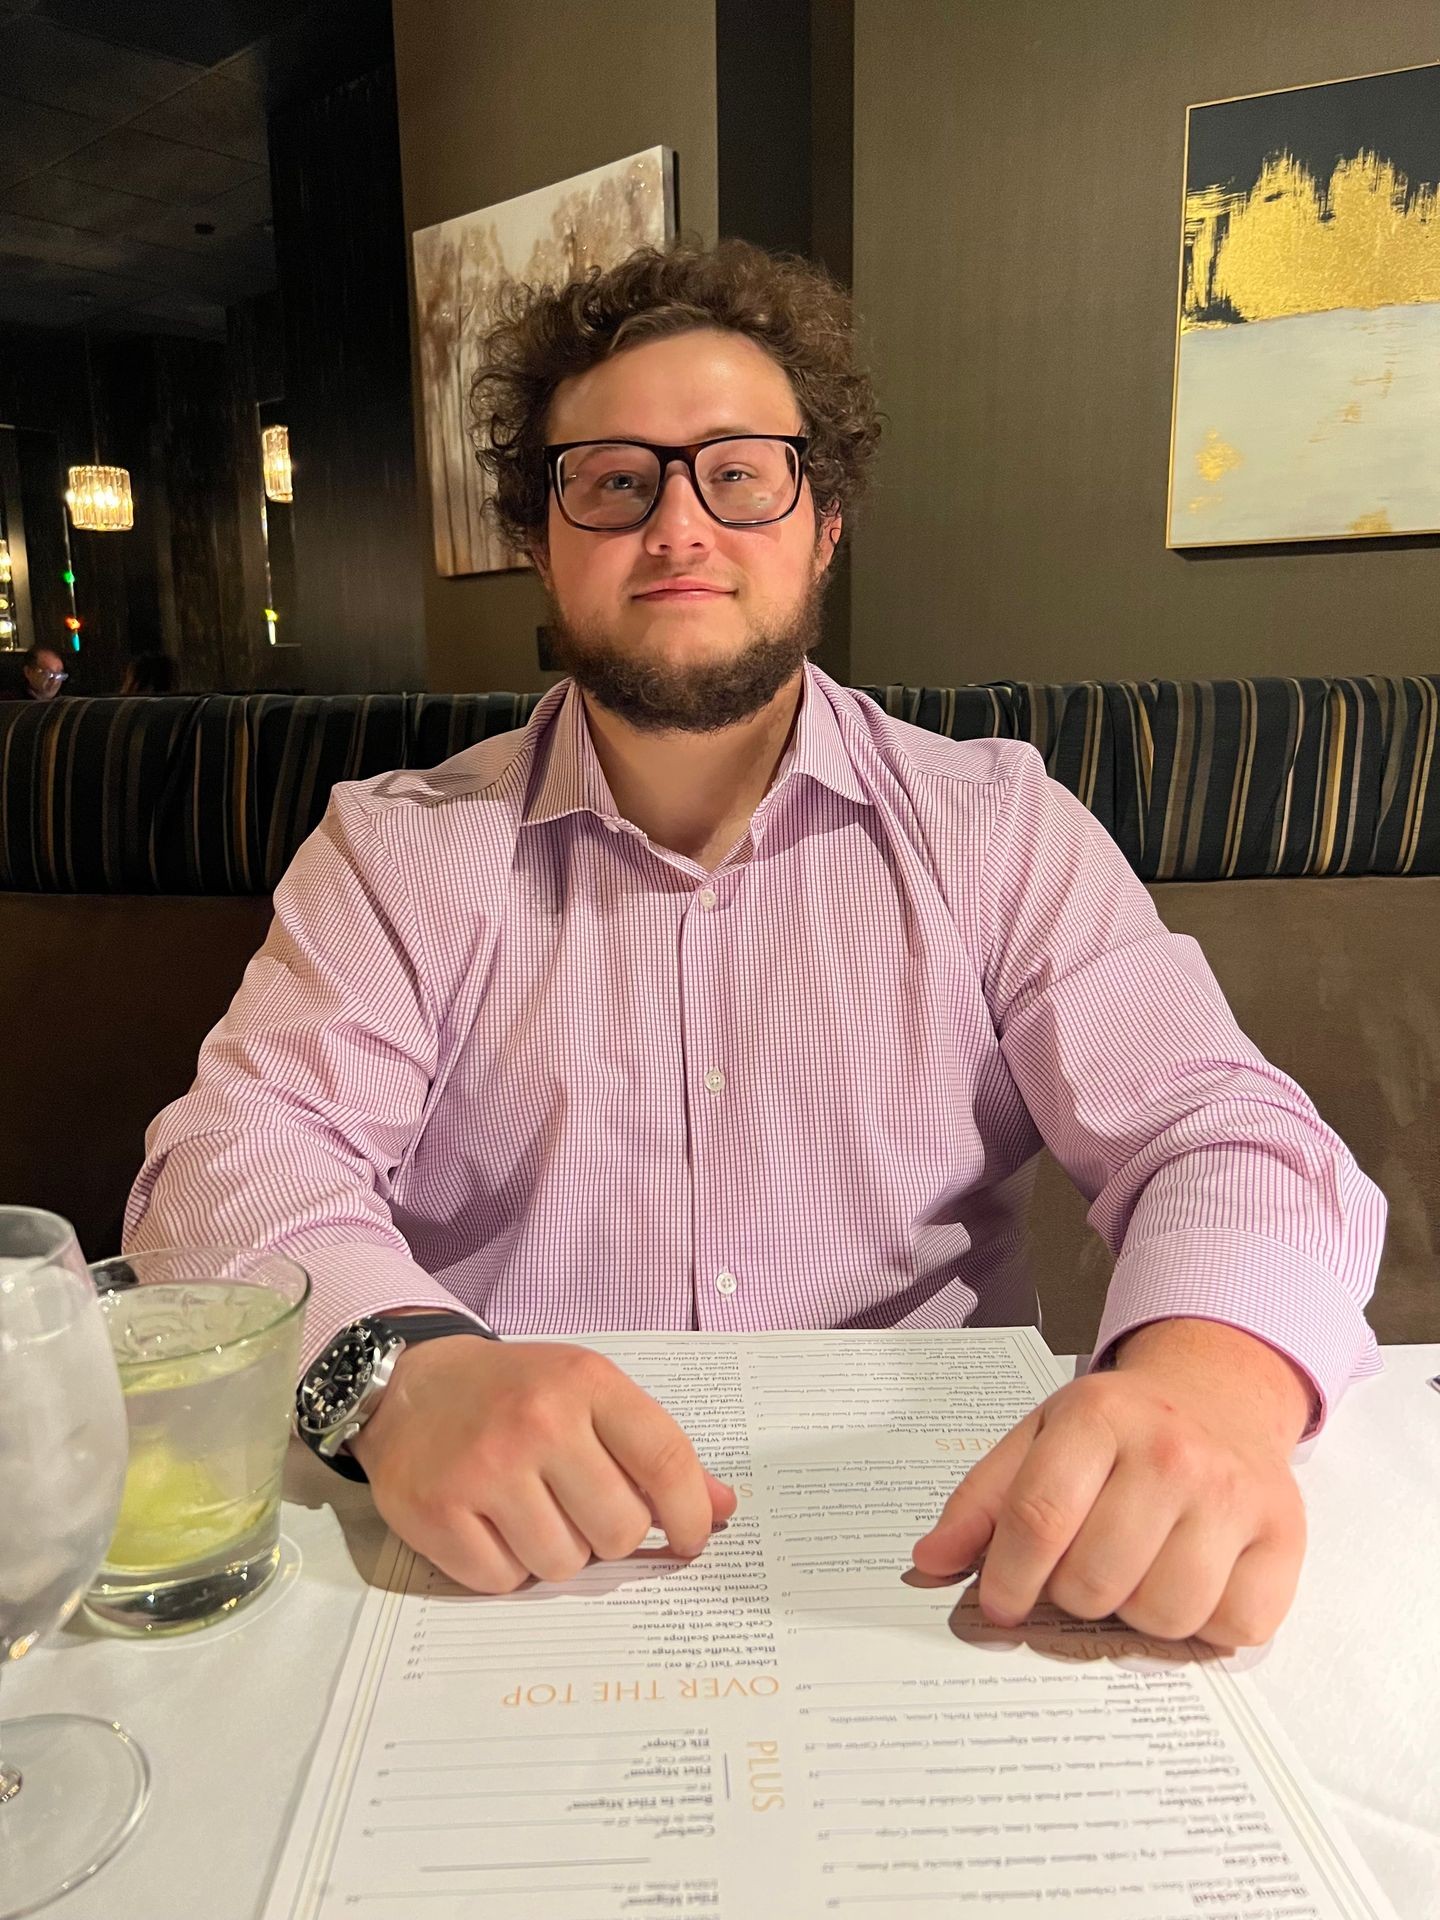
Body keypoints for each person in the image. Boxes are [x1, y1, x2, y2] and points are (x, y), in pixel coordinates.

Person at [125, 239, 1382, 1649]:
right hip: (505, 1562)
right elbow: (227, 1165)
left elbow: (1225, 1134)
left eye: (740, 473)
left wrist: (1209, 1388)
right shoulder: (395, 850)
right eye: (612, 482)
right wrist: (397, 1378)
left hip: (940, 1554)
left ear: (823, 524)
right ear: (540, 542)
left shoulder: (997, 828)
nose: (678, 530)